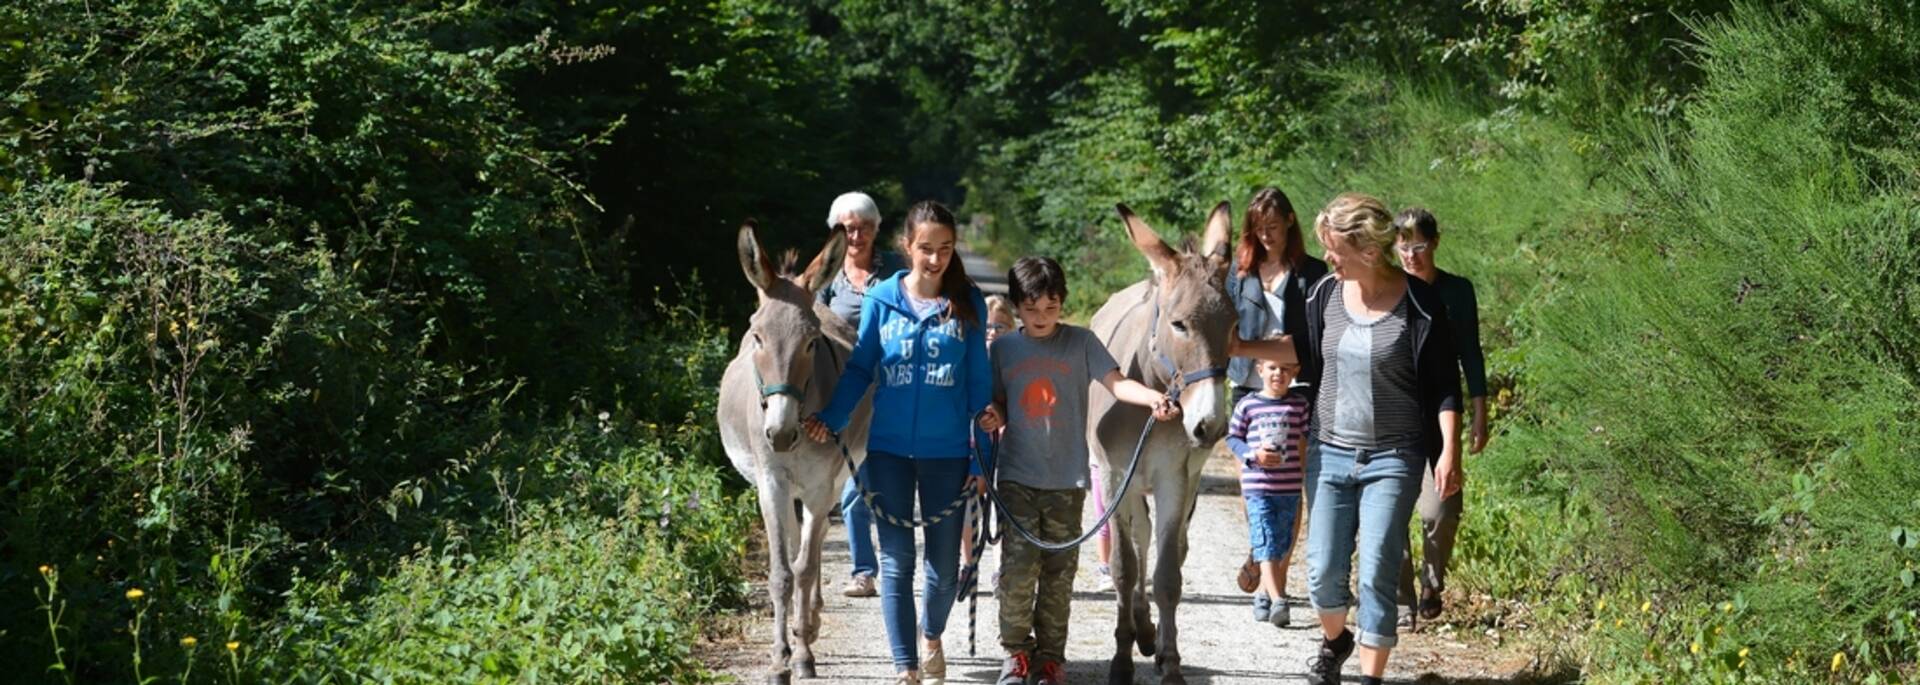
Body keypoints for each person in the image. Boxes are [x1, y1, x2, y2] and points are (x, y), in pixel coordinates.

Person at [805, 201, 992, 685]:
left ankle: (932, 634)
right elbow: (863, 367)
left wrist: (983, 454)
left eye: (945, 250)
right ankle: (906, 668)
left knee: (944, 568)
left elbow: (978, 387)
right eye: (926, 249)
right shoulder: (882, 298)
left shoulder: (967, 303)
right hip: (885, 449)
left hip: (947, 451)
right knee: (896, 561)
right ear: (907, 246)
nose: (935, 260)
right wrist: (832, 417)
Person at [975, 256, 1179, 685]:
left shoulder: (1082, 343)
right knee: (1015, 573)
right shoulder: (1004, 350)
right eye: (1031, 310)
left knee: (1058, 575)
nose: (1042, 317)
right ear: (1016, 308)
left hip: (1067, 482)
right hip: (1016, 477)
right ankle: (1016, 654)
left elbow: (1116, 382)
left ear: (1061, 303)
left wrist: (1151, 399)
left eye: (1051, 308)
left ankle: (1051, 658)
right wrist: (992, 415)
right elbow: (996, 401)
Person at [1290, 193, 1464, 685]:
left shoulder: (1420, 302)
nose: (1327, 258)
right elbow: (1301, 353)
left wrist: (1449, 450)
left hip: (1395, 455)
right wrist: (1228, 345)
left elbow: (1445, 385)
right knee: (1323, 576)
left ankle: (1370, 679)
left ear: (1368, 249)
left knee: (1376, 574)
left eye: (1334, 249)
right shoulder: (1323, 294)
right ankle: (1336, 640)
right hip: (1330, 452)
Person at [1227, 187, 1328, 594]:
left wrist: (1246, 347)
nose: (1266, 234)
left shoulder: (1313, 274)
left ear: (1289, 221)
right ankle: (1263, 552)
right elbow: (1225, 329)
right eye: (1258, 227)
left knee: (1288, 487)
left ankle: (1277, 581)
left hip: (1297, 387)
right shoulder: (1240, 273)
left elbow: (1311, 341)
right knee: (1255, 487)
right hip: (1248, 388)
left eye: (1273, 225)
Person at [1392, 207, 1489, 623]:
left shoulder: (1456, 291)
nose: (1411, 256)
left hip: (1442, 413)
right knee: (1390, 509)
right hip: (1394, 414)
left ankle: (1433, 580)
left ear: (1434, 243)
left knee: (1441, 509)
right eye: (1403, 247)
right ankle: (1399, 599)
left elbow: (1470, 353)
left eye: (1419, 246)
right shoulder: (1390, 291)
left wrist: (1479, 413)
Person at [819, 191, 908, 599]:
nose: (856, 236)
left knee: (889, 480)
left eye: (864, 228)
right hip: (847, 394)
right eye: (847, 229)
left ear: (876, 229)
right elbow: (811, 325)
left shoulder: (894, 272)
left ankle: (894, 566)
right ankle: (863, 571)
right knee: (854, 485)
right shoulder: (825, 275)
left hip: (892, 392)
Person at [1225, 356, 1309, 628]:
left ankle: (1262, 595)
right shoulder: (1248, 404)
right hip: (1258, 488)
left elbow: (1308, 439)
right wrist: (1252, 455)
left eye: (1285, 368)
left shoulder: (1299, 405)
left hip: (1289, 487)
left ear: (1295, 372)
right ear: (1260, 369)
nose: (1278, 374)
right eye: (1273, 367)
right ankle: (1279, 599)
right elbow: (1233, 437)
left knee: (1281, 544)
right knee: (1265, 542)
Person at [959, 295, 1018, 591]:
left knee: (1001, 507)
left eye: (1001, 326)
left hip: (1008, 444)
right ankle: (968, 565)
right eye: (988, 327)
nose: (993, 332)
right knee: (970, 502)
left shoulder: (1014, 361)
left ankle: (999, 569)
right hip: (974, 443)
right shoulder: (968, 360)